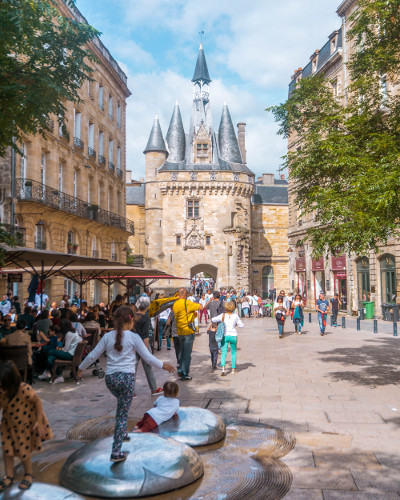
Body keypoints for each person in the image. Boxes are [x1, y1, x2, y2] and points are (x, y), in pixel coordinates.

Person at [78, 306, 175, 463]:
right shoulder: (133, 337)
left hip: (110, 380)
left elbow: (93, 354)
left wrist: (80, 368)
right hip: (126, 380)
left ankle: (122, 433)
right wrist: (164, 365)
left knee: (122, 406)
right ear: (131, 321)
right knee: (122, 415)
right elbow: (148, 358)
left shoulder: (108, 336)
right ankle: (116, 452)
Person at [0, 361, 53, 491]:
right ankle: (9, 476)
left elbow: (37, 402)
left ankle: (28, 474)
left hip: (23, 427)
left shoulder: (24, 389)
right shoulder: (2, 391)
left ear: (11, 383)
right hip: (7, 425)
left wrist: (39, 422)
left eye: (3, 386)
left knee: (24, 452)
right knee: (7, 451)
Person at [133, 297, 163, 396]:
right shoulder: (145, 318)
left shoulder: (132, 316)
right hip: (142, 344)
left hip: (132, 343)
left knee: (133, 367)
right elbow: (145, 335)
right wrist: (145, 351)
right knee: (148, 367)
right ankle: (154, 389)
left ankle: (130, 390)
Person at [172, 288, 203, 381]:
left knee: (181, 352)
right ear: (185, 295)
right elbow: (201, 307)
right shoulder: (187, 303)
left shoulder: (175, 304)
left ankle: (180, 369)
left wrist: (191, 314)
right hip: (188, 331)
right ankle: (185, 373)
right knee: (187, 354)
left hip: (179, 331)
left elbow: (182, 314)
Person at [38, 319, 81, 383]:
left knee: (50, 351)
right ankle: (57, 375)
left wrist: (59, 350)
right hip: (72, 354)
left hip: (69, 354)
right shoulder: (74, 332)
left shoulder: (69, 334)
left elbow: (66, 349)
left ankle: (48, 372)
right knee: (50, 358)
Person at [211, 301, 244, 376]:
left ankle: (223, 368)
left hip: (225, 335)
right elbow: (241, 325)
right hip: (233, 335)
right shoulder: (235, 316)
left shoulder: (223, 315)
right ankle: (233, 368)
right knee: (234, 352)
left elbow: (213, 319)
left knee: (224, 352)